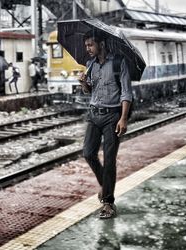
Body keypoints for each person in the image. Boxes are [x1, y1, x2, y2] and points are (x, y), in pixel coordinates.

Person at [80, 30, 132, 219]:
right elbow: (89, 92)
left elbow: (126, 93)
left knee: (109, 160)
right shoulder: (90, 65)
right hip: (94, 114)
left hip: (112, 116)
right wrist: (84, 84)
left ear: (101, 44)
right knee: (88, 153)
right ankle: (106, 186)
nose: (88, 49)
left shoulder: (119, 62)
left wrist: (123, 118)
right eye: (86, 46)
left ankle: (108, 203)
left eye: (90, 45)